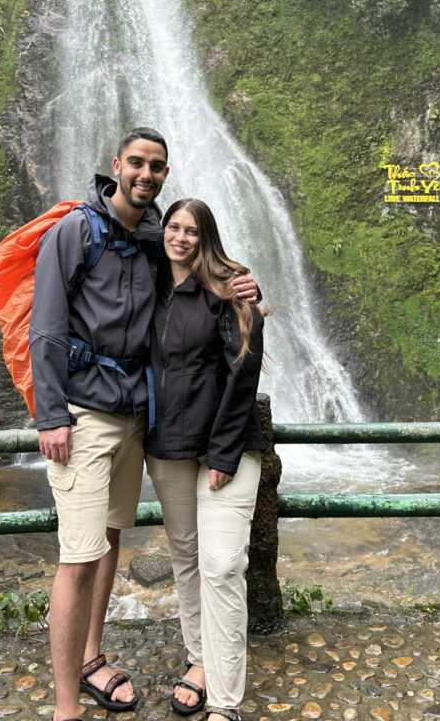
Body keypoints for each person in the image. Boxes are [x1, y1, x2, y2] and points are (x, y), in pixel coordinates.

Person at [30, 129, 257, 721]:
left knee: (109, 540)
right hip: (82, 415)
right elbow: (47, 327)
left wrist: (244, 284)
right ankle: (65, 707)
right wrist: (51, 415)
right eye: (137, 163)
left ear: (164, 174)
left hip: (136, 417)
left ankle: (93, 659)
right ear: (116, 166)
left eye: (156, 166)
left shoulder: (158, 237)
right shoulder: (75, 231)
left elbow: (204, 269)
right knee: (78, 555)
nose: (146, 174)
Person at [145, 198, 267, 721]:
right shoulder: (145, 284)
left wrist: (223, 451)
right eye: (173, 227)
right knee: (186, 557)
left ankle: (225, 701)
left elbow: (244, 369)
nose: (180, 237)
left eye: (192, 230)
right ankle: (199, 661)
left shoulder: (229, 287)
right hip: (168, 446)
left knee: (221, 565)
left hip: (228, 449)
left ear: (206, 236)